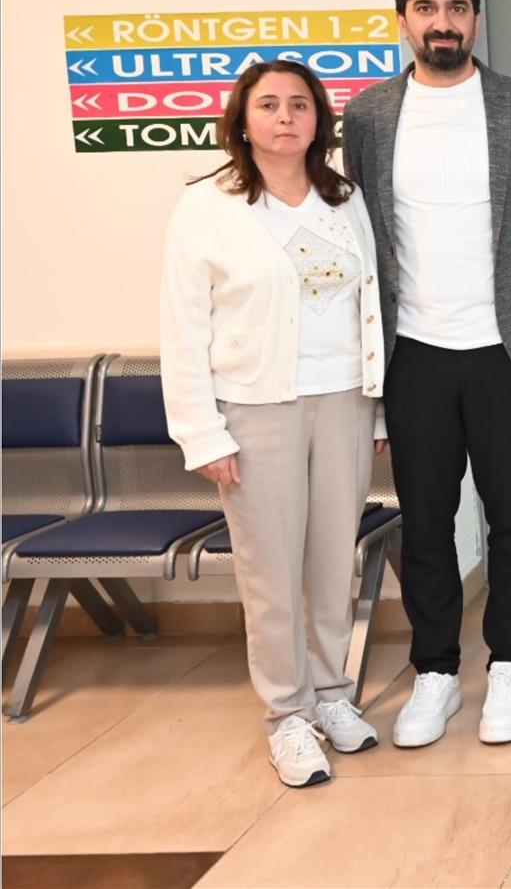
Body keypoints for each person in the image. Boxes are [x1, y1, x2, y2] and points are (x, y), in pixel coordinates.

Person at [342, 0, 511, 749]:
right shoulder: (368, 116)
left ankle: (509, 663)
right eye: (427, 8)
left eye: (457, 8)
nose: (443, 22)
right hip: (414, 352)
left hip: (503, 350)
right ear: (404, 19)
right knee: (427, 519)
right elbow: (360, 233)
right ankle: (436, 668)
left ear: (475, 14)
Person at [161, 60, 387, 788]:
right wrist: (202, 432)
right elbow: (182, 329)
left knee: (332, 560)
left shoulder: (343, 198)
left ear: (319, 119)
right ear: (243, 119)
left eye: (299, 104)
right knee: (271, 571)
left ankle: (331, 693)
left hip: (344, 401)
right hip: (256, 410)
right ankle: (287, 714)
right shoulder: (207, 206)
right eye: (269, 105)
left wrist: (379, 403)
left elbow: (372, 306)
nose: (285, 117)